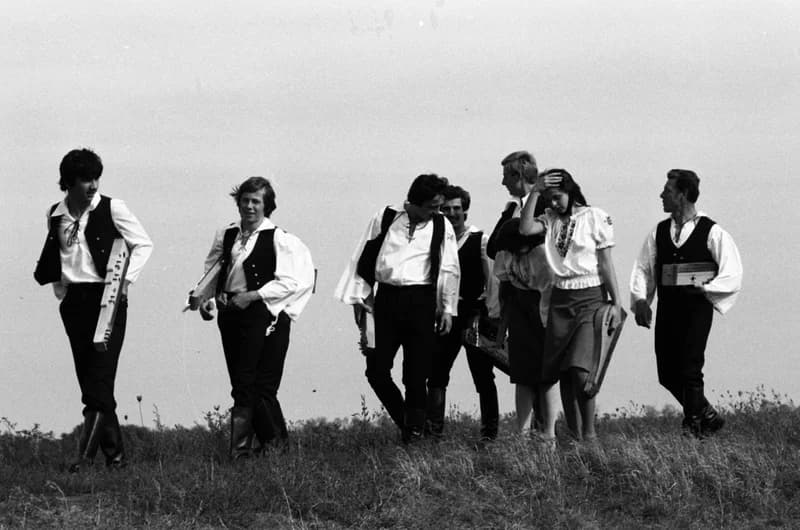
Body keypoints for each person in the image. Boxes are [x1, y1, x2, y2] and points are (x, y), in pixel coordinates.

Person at [34, 148, 153, 471]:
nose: (93, 185)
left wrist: (125, 282)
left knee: (99, 380)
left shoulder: (114, 207)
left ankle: (84, 460)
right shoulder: (55, 214)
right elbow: (59, 257)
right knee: (91, 383)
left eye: (96, 178)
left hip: (109, 299)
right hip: (75, 304)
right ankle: (117, 461)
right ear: (68, 183)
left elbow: (143, 243)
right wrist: (63, 292)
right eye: (86, 179)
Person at [189, 176, 315, 459]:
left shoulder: (280, 239)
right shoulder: (227, 234)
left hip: (263, 312)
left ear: (266, 206)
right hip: (230, 312)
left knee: (253, 385)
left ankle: (244, 452)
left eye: (255, 201)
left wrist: (253, 296)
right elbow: (212, 272)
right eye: (245, 200)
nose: (249, 206)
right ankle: (275, 448)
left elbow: (291, 282)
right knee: (244, 383)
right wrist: (208, 300)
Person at [335, 174, 460, 443]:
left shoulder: (441, 225)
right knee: (376, 370)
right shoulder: (386, 217)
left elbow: (449, 268)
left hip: (421, 301)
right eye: (432, 206)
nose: (436, 211)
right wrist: (361, 300)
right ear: (414, 202)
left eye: (438, 206)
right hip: (386, 300)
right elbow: (362, 257)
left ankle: (414, 436)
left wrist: (447, 308)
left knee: (416, 374)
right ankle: (408, 421)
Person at [630, 169, 743, 437]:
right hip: (668, 308)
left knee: (690, 367)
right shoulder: (658, 232)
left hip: (696, 308)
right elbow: (643, 268)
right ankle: (707, 415)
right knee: (667, 373)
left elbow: (732, 271)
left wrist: (707, 288)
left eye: (667, 191)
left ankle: (693, 425)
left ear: (682, 195)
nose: (661, 195)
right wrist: (641, 301)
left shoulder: (712, 232)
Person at [518, 168, 623, 442]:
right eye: (549, 198)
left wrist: (616, 302)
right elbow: (524, 228)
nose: (554, 204)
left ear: (570, 191)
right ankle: (575, 437)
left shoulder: (595, 217)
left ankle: (590, 434)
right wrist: (535, 192)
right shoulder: (550, 219)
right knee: (561, 372)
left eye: (557, 197)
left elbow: (605, 263)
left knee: (580, 370)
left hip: (590, 297)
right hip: (560, 298)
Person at [487, 151, 552, 436]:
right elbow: (493, 247)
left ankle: (547, 433)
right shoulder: (511, 209)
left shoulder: (546, 206)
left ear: (517, 176)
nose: (503, 182)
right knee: (523, 370)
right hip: (516, 293)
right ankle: (523, 433)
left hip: (542, 292)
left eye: (506, 176)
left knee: (546, 371)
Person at [426, 185, 498, 440]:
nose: (452, 213)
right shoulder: (435, 241)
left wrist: (488, 315)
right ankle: (433, 433)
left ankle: (489, 434)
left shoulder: (481, 240)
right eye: (446, 209)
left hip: (473, 313)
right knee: (436, 372)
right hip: (444, 313)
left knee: (481, 374)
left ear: (465, 210)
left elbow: (492, 282)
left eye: (457, 208)